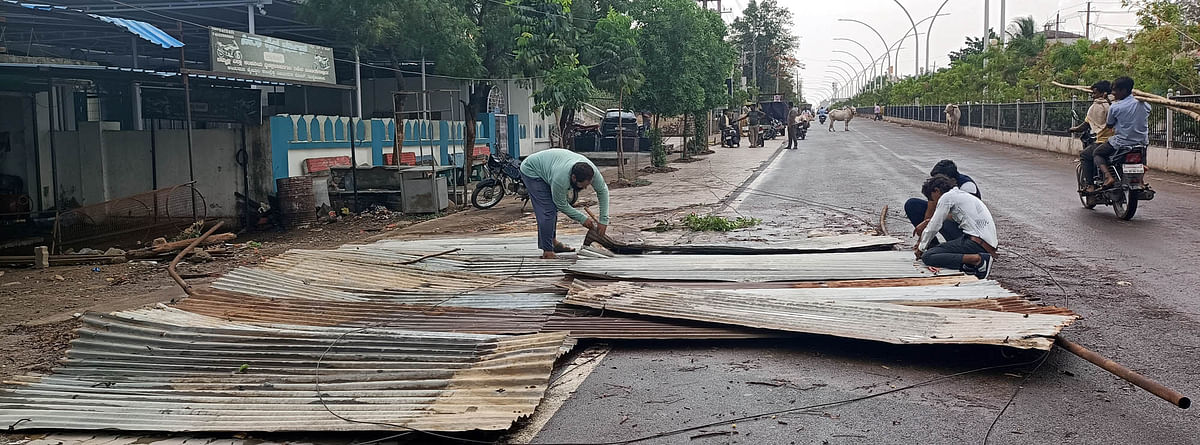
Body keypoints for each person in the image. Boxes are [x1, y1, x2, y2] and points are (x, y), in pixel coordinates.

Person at [519, 149, 610, 259]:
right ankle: (547, 251)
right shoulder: (561, 179)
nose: (585, 188)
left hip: (550, 165)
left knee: (551, 210)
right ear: (573, 178)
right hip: (532, 170)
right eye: (582, 185)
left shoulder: (593, 172)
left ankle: (552, 242)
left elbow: (602, 191)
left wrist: (603, 220)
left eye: (587, 185)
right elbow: (561, 204)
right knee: (547, 211)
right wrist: (582, 219)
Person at [915, 175, 997, 279]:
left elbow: (934, 226)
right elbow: (945, 219)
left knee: (928, 256)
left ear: (936, 191)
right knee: (939, 251)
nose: (934, 202)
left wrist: (921, 248)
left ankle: (978, 259)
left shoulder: (947, 197)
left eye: (931, 198)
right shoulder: (962, 196)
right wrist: (927, 221)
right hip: (985, 243)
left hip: (977, 243)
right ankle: (969, 264)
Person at [1082, 76, 1151, 190]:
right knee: (1142, 160)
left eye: (1114, 90)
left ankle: (1108, 176)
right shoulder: (1143, 103)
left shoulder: (1115, 107)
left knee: (1097, 153)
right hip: (1142, 141)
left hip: (1121, 142)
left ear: (1123, 90)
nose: (1113, 93)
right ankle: (1141, 180)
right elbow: (1147, 111)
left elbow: (1109, 124)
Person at [905, 160, 980, 247]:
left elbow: (969, 216)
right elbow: (930, 210)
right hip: (945, 216)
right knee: (912, 204)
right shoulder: (938, 187)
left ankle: (960, 245)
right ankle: (931, 244)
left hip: (967, 230)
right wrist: (922, 241)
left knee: (943, 219)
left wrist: (931, 221)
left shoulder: (967, 186)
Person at [1072, 81, 1114, 191]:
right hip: (1125, 142)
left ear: (1103, 94)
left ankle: (1090, 185)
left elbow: (1086, 124)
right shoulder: (1118, 104)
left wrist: (1074, 129)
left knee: (1085, 155)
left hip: (1105, 141)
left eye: (1095, 93)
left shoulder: (1097, 106)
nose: (1093, 96)